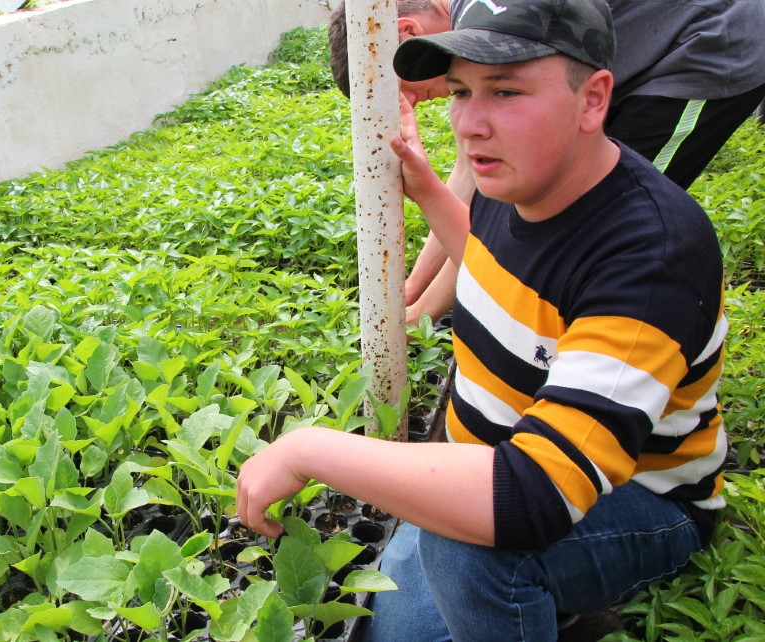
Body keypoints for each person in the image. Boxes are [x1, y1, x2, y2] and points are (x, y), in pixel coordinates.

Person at [237, 0, 729, 639]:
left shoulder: (651, 254)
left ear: (593, 99)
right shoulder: (521, 181)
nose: (469, 125)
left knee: (467, 550)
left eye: (506, 91)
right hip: (499, 456)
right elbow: (492, 264)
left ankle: (548, 593)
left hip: (638, 498)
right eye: (461, 91)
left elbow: (536, 493)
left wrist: (310, 449)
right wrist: (428, 189)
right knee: (387, 629)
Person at [329, 0, 765, 327]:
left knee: (602, 210)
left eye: (401, 91)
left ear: (407, 31)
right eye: (462, 93)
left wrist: (425, 312)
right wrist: (413, 291)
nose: (410, 104)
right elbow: (468, 177)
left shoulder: (491, 18)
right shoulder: (474, 19)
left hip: (703, 47)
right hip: (621, 61)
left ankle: (594, 334)